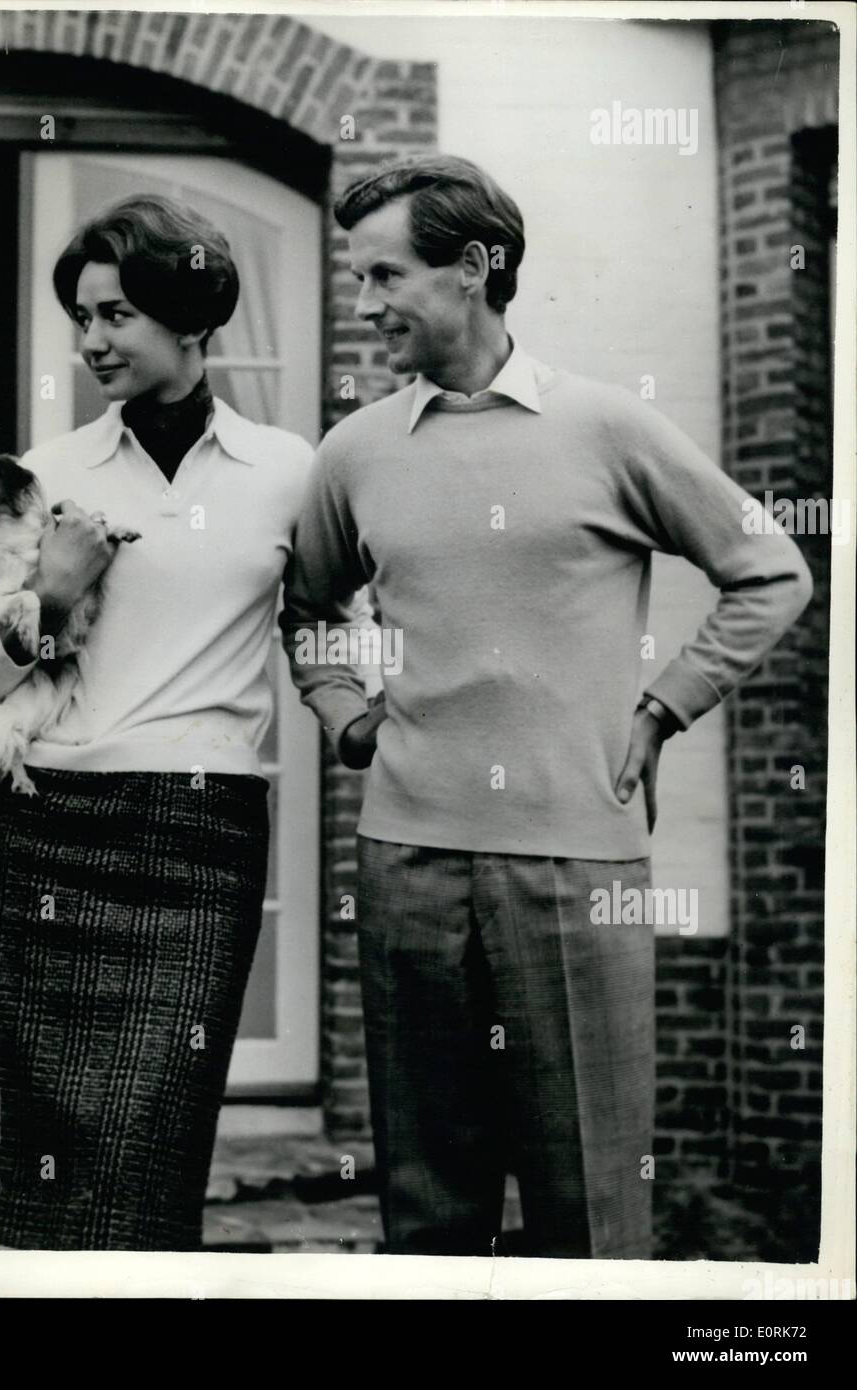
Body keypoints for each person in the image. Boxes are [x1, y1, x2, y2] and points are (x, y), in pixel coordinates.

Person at [279, 154, 813, 1258]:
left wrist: (664, 706)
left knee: (590, 1209)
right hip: (405, 863)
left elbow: (771, 571)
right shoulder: (355, 451)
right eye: (358, 280)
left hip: (578, 863)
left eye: (386, 278)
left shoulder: (609, 429)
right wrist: (346, 713)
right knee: (427, 1211)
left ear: (474, 268)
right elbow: (310, 605)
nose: (366, 307)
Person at [0, 194, 315, 1250]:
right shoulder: (44, 475)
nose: (91, 340)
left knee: (147, 1170)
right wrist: (47, 600)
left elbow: (331, 620)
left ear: (192, 320)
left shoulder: (289, 472)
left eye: (117, 315)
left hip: (203, 837)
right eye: (82, 316)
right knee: (30, 1189)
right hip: (56, 827)